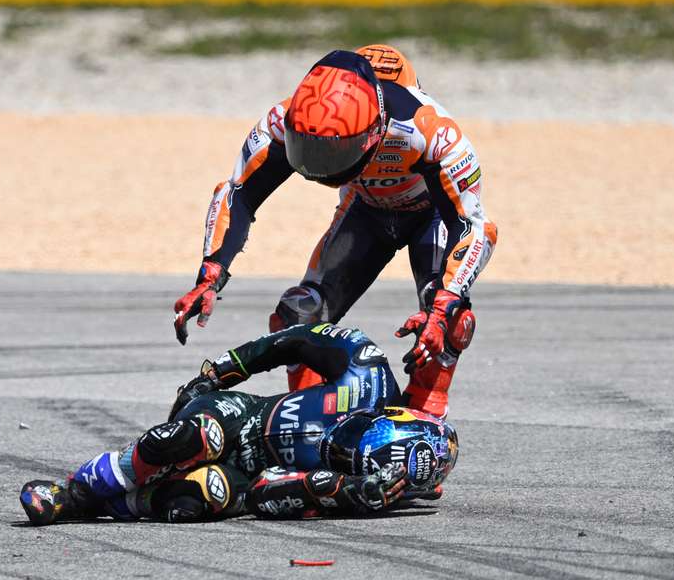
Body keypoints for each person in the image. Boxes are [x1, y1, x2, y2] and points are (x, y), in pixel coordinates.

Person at [173, 44, 498, 420]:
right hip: (364, 211)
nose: (317, 166)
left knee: (447, 319)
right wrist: (211, 273)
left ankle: (426, 417)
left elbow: (473, 227)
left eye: (333, 152)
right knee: (297, 314)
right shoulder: (282, 118)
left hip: (432, 216)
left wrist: (441, 308)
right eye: (307, 148)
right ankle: (313, 421)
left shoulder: (430, 133)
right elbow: (238, 192)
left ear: (374, 131)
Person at [20, 323, 458, 525]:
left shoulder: (367, 488)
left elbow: (268, 490)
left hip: (247, 477)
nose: (339, 452)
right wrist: (220, 372)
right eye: (354, 441)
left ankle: (103, 507)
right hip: (240, 414)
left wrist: (340, 490)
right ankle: (73, 492)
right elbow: (296, 338)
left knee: (191, 501)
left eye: (351, 463)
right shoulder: (368, 371)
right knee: (185, 440)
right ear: (385, 413)